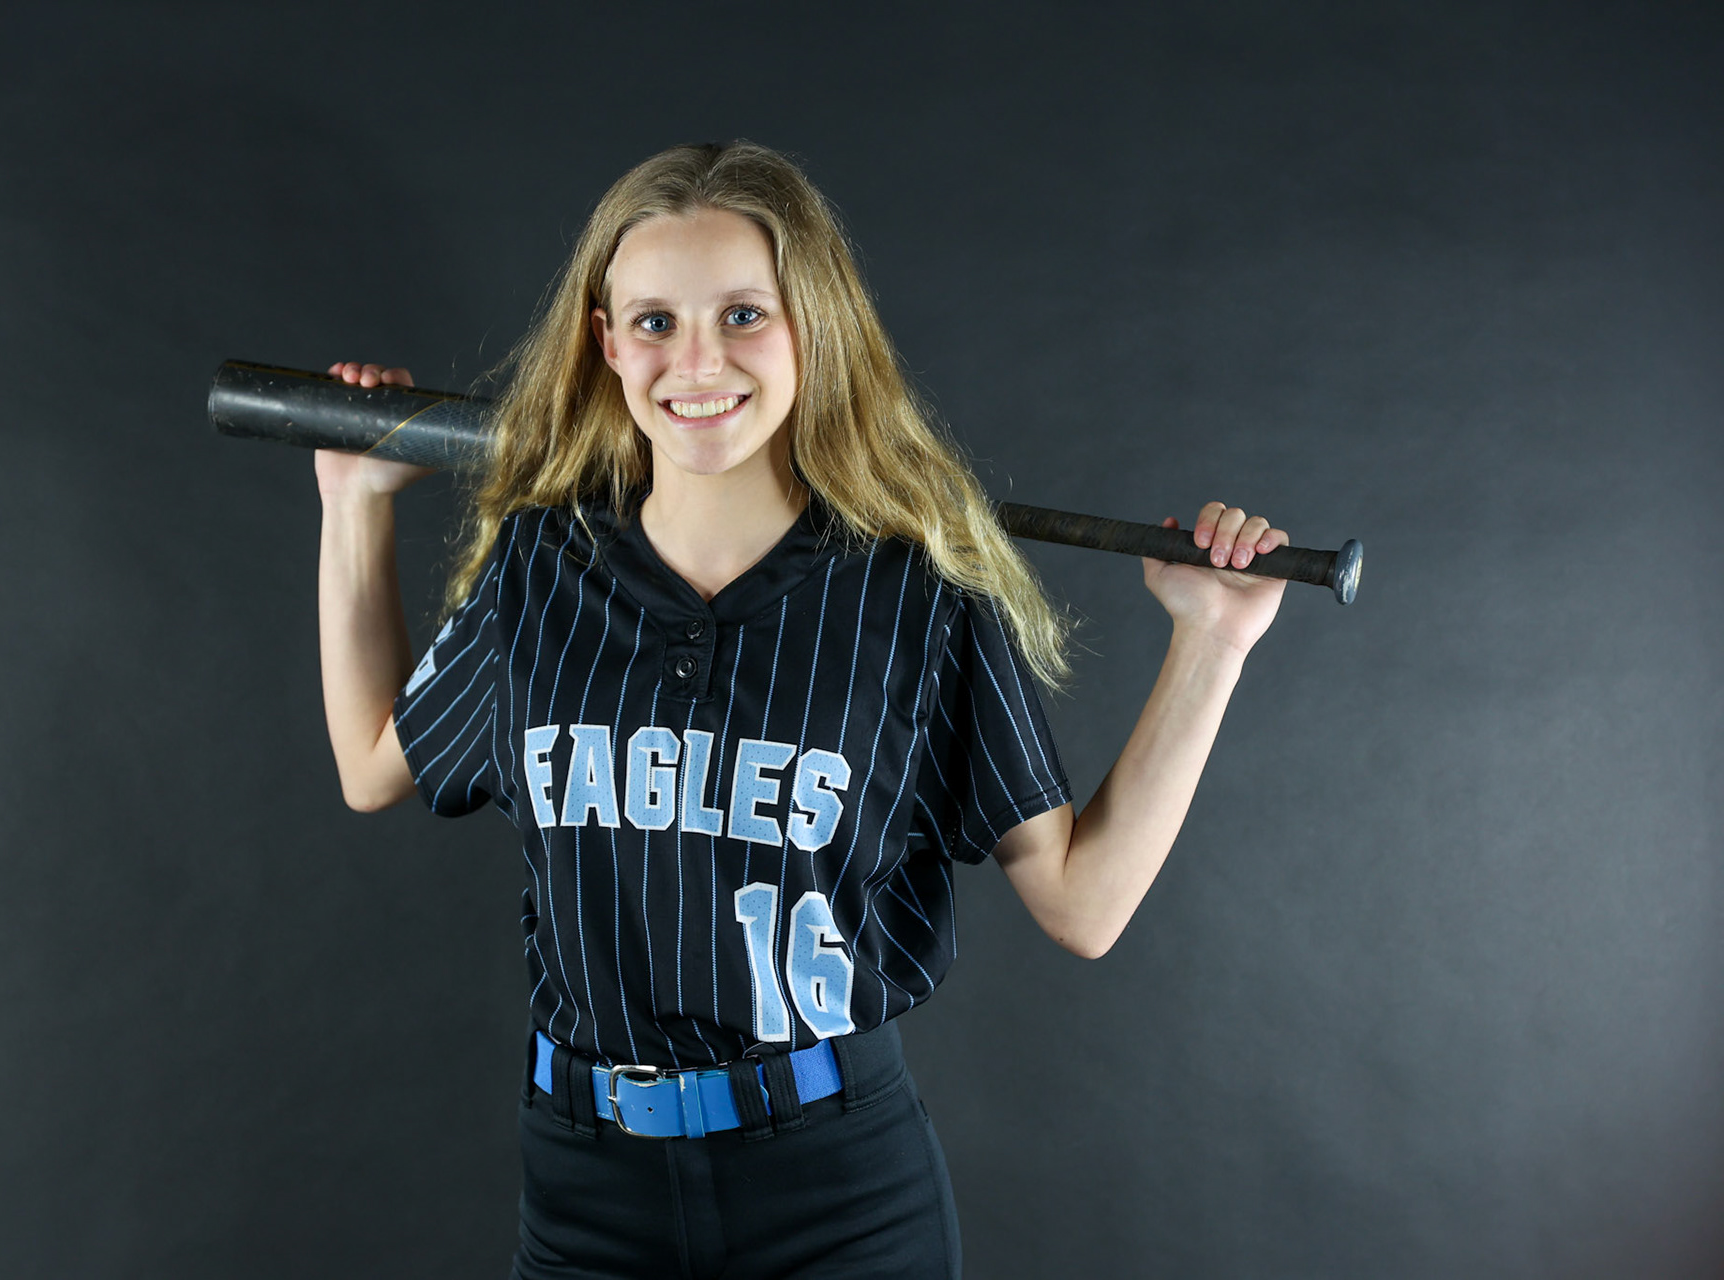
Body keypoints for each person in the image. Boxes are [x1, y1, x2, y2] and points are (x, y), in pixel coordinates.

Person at [315, 140, 1289, 1280]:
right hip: (587, 1190)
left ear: (812, 324)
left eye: (742, 315)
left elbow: (1086, 901)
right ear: (605, 340)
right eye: (654, 321)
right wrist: (354, 505)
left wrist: (1213, 639)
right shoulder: (544, 565)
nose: (695, 360)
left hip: (834, 1191)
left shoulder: (917, 589)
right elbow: (372, 763)